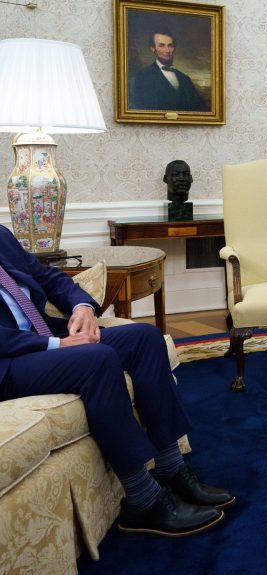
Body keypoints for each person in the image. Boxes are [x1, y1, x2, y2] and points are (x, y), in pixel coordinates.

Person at [0, 224, 234, 536]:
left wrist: (82, 307)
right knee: (98, 359)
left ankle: (171, 467)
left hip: (43, 337)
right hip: (10, 360)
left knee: (145, 338)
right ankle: (143, 500)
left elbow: (48, 277)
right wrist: (57, 345)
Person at [130, 30, 207, 112]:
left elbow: (199, 110)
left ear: (174, 48)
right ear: (153, 48)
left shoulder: (185, 79)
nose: (167, 50)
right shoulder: (140, 78)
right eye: (161, 45)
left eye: (170, 46)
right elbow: (139, 112)